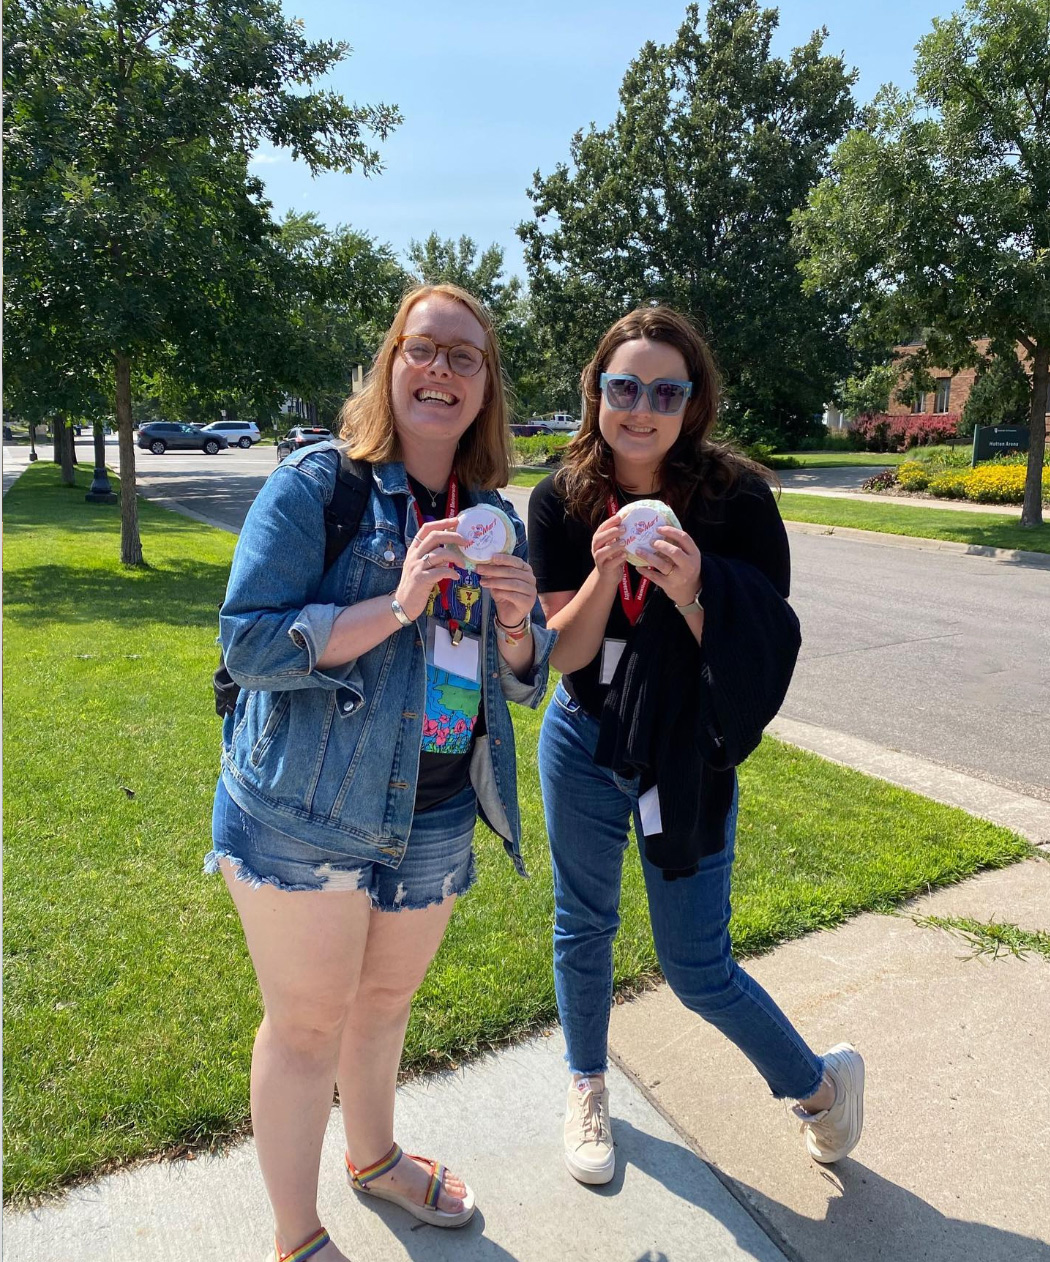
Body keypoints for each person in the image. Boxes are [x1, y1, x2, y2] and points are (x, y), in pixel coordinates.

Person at [208, 283, 553, 1262]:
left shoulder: (492, 517)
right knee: (306, 1026)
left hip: (436, 812)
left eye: (464, 356)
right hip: (306, 809)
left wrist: (518, 623)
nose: (441, 369)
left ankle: (375, 1158)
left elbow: (518, 681)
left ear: (486, 387)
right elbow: (249, 645)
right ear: (391, 364)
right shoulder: (321, 485)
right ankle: (297, 1235)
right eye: (422, 348)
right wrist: (400, 603)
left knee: (385, 1006)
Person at [528, 305, 864, 1187]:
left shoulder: (735, 497)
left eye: (665, 393)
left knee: (697, 968)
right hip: (582, 737)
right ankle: (587, 1086)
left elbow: (764, 643)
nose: (641, 408)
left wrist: (692, 588)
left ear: (692, 402)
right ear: (597, 392)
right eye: (624, 387)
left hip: (684, 752)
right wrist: (605, 571)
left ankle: (822, 1088)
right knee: (582, 924)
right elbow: (562, 652)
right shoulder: (561, 498)